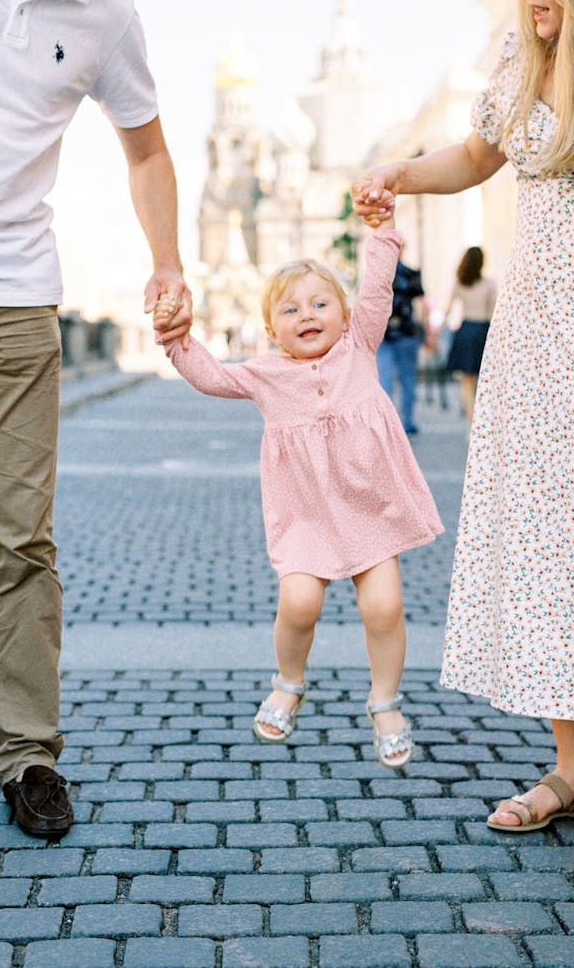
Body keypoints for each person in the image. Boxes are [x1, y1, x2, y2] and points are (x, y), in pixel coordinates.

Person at [352, 0, 574, 895]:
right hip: (534, 347)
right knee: (555, 548)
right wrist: (399, 173)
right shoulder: (514, 64)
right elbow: (479, 155)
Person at [0, 0, 191, 838]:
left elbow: (148, 153)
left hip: (16, 298)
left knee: (22, 543)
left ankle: (27, 753)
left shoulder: (109, 17)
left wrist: (167, 260)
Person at [154, 221, 443, 769]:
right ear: (270, 330)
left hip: (371, 507)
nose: (307, 315)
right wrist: (175, 339)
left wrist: (382, 236)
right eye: (290, 311)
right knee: (300, 603)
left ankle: (386, 703)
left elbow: (378, 289)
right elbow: (212, 377)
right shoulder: (266, 374)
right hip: (307, 514)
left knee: (384, 607)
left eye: (319, 304)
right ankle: (288, 683)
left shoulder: (360, 345)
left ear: (345, 313)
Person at [443, 246, 496, 425]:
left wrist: (437, 332)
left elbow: (448, 309)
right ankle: (482, 422)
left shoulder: (459, 283)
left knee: (466, 381)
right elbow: (493, 313)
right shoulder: (489, 284)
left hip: (465, 331)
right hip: (483, 331)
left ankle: (472, 423)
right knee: (483, 381)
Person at [377, 256, 427, 434]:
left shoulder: (378, 275)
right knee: (408, 379)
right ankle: (407, 421)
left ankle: (386, 424)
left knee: (385, 379)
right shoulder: (410, 273)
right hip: (407, 333)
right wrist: (426, 331)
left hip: (384, 333)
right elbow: (422, 305)